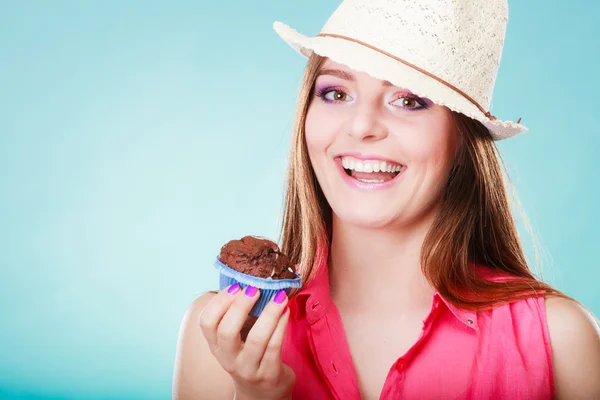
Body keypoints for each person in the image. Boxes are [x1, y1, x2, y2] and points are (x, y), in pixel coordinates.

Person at [173, 0, 600, 398]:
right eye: (337, 93)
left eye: (409, 100)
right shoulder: (221, 334)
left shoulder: (561, 343)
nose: (362, 126)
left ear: (462, 143)